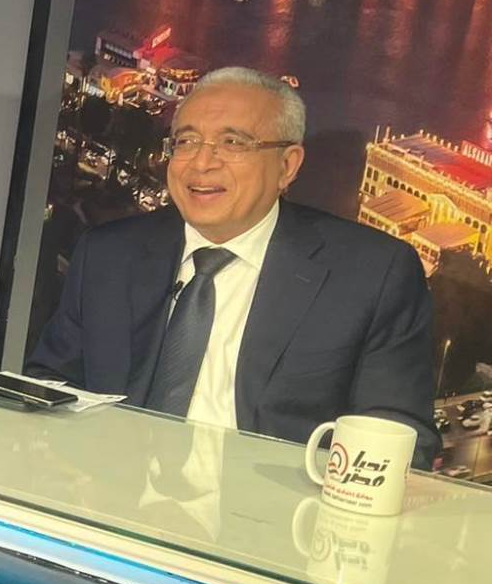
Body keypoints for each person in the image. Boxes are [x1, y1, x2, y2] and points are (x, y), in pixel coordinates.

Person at [29, 66, 438, 461]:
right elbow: (50, 386)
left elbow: (400, 441)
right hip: (109, 491)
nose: (201, 163)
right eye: (187, 141)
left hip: (276, 504)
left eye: (232, 143)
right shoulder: (109, 255)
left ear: (287, 166)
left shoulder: (370, 275)